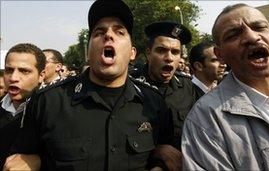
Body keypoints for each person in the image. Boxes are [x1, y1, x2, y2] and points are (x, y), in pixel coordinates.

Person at [4, 0, 176, 170]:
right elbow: (21, 158)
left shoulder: (155, 104)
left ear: (132, 53)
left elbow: (167, 156)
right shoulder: (47, 102)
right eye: (99, 32)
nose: (108, 35)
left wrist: (160, 165)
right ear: (88, 52)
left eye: (119, 32)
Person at [182, 3, 269, 170]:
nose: (252, 37)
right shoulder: (206, 122)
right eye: (233, 35)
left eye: (259, 27)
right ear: (220, 55)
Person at [131, 21, 200, 149]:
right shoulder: (130, 85)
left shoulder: (188, 87)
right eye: (161, 50)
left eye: (175, 52)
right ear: (148, 53)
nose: (169, 58)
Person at [0, 43, 46, 169]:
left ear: (41, 75)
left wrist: (40, 161)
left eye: (24, 71)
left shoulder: (54, 111)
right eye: (9, 70)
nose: (13, 78)